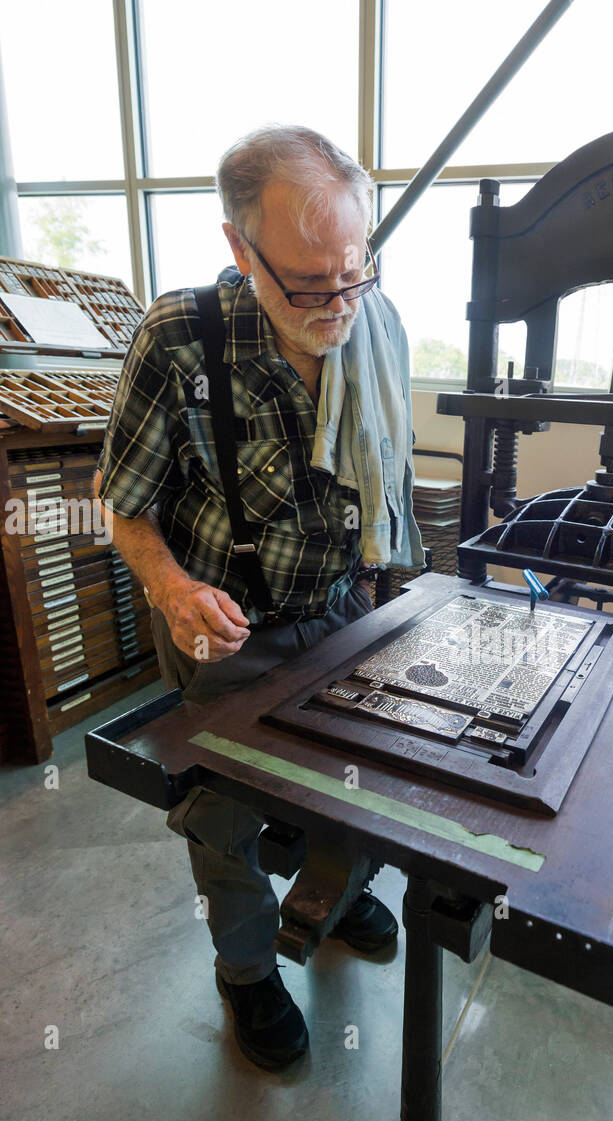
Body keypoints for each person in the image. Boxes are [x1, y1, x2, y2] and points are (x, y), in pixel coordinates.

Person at [94, 125, 425, 1071]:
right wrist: (170, 588)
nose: (338, 305)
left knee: (353, 775)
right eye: (307, 284)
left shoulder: (377, 322)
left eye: (352, 274)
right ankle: (245, 972)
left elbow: (390, 480)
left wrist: (394, 589)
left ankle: (341, 879)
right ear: (241, 249)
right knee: (226, 817)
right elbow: (123, 507)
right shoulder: (180, 338)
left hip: (343, 607)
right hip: (226, 634)